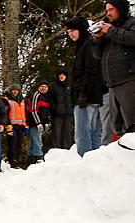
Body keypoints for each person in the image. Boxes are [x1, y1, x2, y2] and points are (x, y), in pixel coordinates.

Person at [92, 0, 135, 135]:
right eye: (106, 10)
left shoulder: (131, 23)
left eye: (111, 9)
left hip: (129, 79)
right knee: (117, 126)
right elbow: (97, 55)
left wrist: (110, 30)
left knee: (132, 124)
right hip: (112, 83)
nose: (108, 13)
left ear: (120, 9)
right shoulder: (109, 30)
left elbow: (131, 38)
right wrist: (98, 39)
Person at [66, 16, 104, 156]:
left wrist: (83, 94)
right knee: (93, 132)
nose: (70, 33)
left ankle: (85, 164)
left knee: (82, 133)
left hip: (87, 97)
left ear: (81, 29)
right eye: (68, 31)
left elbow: (91, 70)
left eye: (73, 30)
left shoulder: (87, 45)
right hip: (91, 96)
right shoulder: (84, 45)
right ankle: (95, 163)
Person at [2, 84, 28, 168]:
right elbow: (4, 114)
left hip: (21, 126)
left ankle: (16, 161)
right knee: (11, 145)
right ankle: (11, 163)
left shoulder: (23, 101)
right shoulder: (6, 100)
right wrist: (8, 126)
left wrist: (26, 126)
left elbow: (25, 113)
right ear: (11, 90)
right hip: (11, 126)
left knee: (18, 145)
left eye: (17, 90)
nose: (15, 92)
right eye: (13, 90)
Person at [26, 81, 51, 163]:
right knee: (37, 141)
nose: (43, 88)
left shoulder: (46, 97)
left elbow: (46, 112)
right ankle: (39, 158)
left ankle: (31, 160)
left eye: (45, 87)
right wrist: (38, 123)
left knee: (33, 141)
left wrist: (46, 122)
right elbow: (33, 110)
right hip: (34, 123)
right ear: (38, 87)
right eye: (42, 86)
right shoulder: (36, 96)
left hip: (41, 123)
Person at [50, 67, 74, 149]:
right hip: (57, 115)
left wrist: (72, 109)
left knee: (67, 134)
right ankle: (56, 151)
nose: (62, 76)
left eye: (63, 75)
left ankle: (67, 151)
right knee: (57, 134)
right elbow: (51, 100)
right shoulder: (53, 86)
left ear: (66, 76)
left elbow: (74, 98)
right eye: (60, 75)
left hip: (69, 114)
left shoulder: (70, 85)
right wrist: (54, 110)